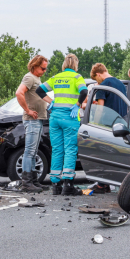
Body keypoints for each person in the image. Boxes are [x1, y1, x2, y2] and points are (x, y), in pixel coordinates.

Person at [38, 53, 88, 196]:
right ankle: (68, 185)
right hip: (69, 117)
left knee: (57, 150)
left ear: (64, 65)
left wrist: (50, 101)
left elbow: (39, 90)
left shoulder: (56, 78)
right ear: (75, 65)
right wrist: (77, 104)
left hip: (54, 117)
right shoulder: (76, 77)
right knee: (70, 149)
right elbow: (84, 91)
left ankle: (55, 185)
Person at [89, 63, 128, 195]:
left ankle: (102, 184)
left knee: (102, 154)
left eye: (96, 79)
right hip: (121, 124)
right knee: (118, 154)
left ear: (98, 74)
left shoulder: (103, 85)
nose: (96, 82)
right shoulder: (121, 84)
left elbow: (100, 108)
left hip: (107, 125)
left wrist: (95, 124)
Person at [15, 54, 49, 193]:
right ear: (35, 66)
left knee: (34, 151)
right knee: (29, 151)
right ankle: (27, 182)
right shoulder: (29, 77)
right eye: (42, 68)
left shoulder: (37, 78)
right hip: (32, 120)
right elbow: (19, 93)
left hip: (38, 119)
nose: (44, 71)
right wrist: (28, 110)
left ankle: (33, 180)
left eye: (46, 69)